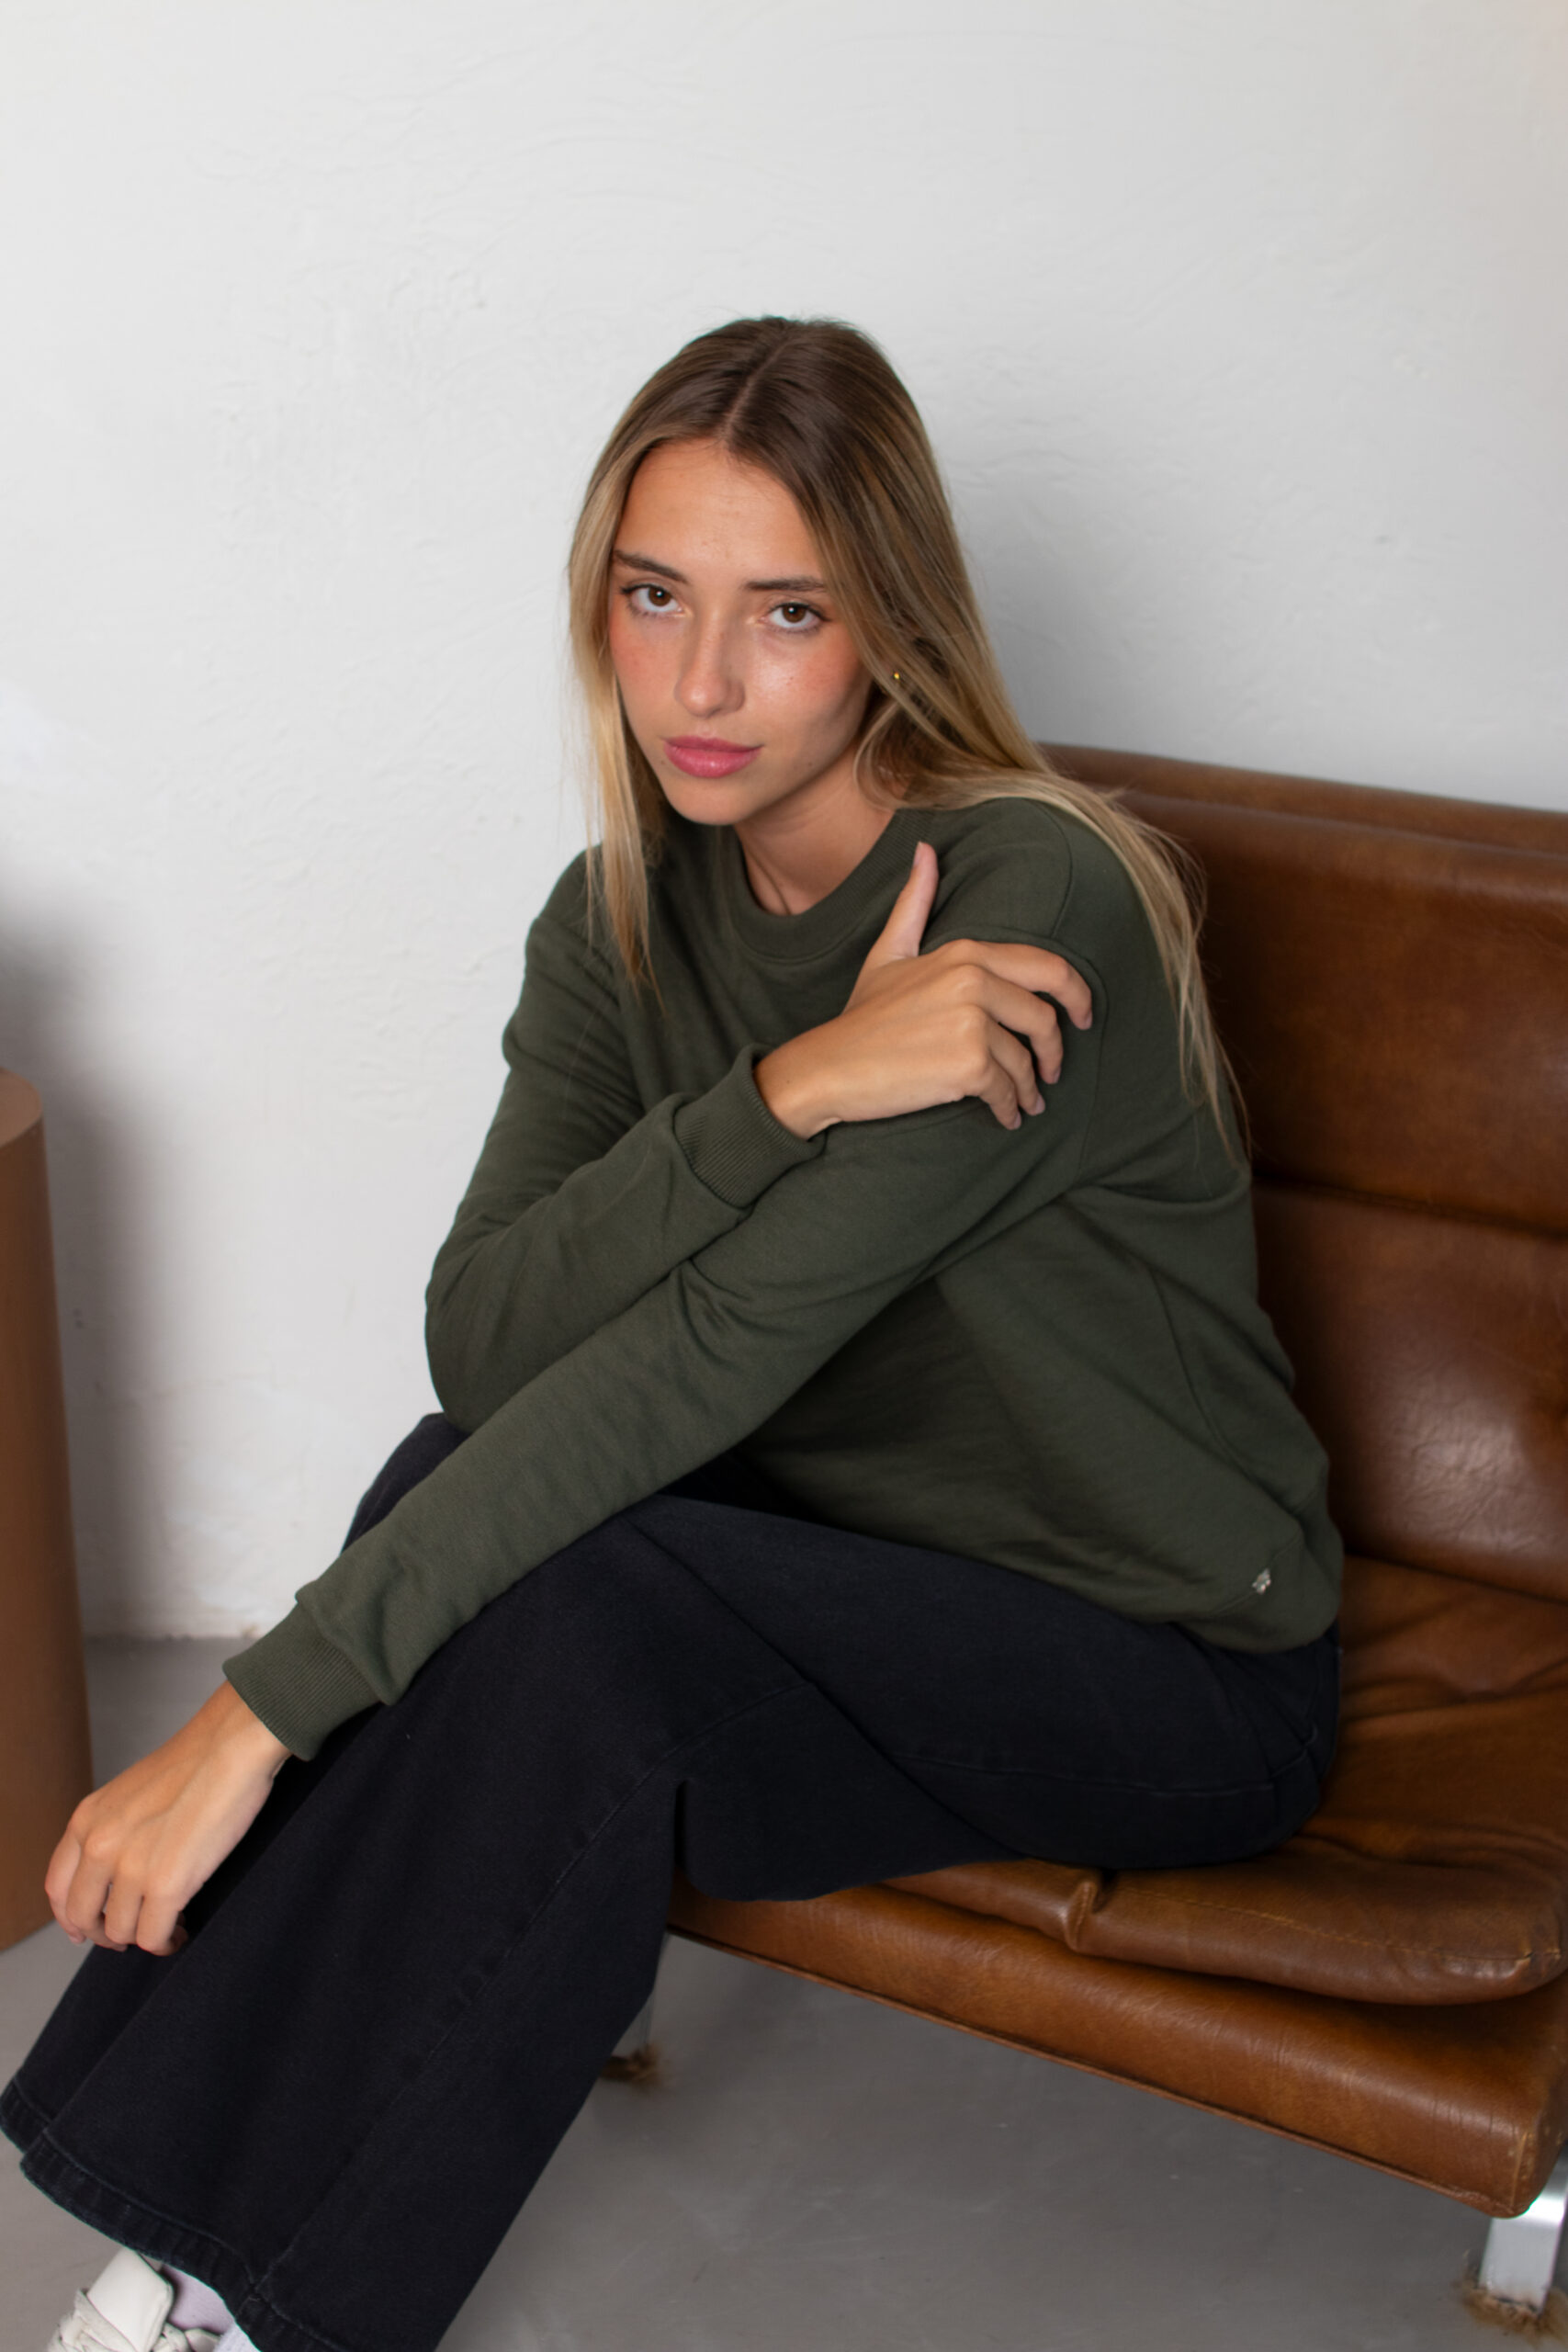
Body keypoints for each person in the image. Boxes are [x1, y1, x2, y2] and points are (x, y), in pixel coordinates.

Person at [9, 317, 1341, 2352]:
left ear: (890, 624)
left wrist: (248, 1712)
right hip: (855, 1583)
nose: (701, 683)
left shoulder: (1020, 912)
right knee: (456, 1479)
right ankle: (186, 2246)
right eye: (655, 597)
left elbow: (704, 1353)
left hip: (1163, 1663)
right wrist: (783, 1088)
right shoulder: (620, 914)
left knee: (582, 1612)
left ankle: (234, 2297)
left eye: (785, 611)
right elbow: (489, 1343)